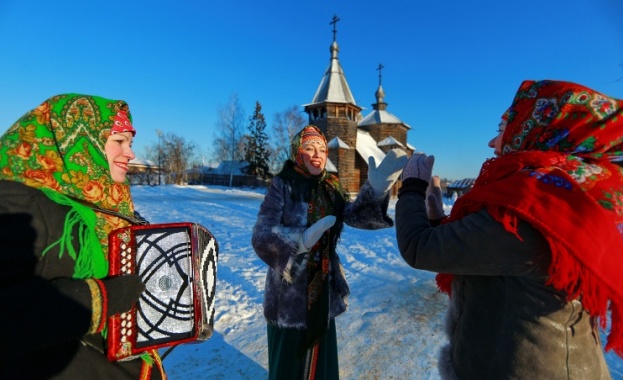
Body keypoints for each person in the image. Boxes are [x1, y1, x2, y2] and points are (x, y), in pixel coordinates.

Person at [396, 80, 623, 379]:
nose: (492, 142)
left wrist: (411, 186)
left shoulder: (534, 205)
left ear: (536, 129)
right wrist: (440, 222)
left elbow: (420, 248)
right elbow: (490, 257)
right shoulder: (564, 192)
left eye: (503, 127)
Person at [0, 94, 166, 379]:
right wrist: (100, 299)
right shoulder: (15, 203)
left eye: (130, 142)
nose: (130, 153)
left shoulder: (108, 205)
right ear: (77, 137)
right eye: (118, 141)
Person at [252, 125, 407, 379]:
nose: (317, 155)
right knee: (290, 364)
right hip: (289, 295)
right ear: (296, 153)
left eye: (322, 149)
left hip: (322, 287)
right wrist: (299, 242)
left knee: (320, 362)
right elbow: (261, 235)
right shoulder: (282, 185)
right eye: (309, 148)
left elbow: (354, 216)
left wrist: (376, 191)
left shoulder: (331, 186)